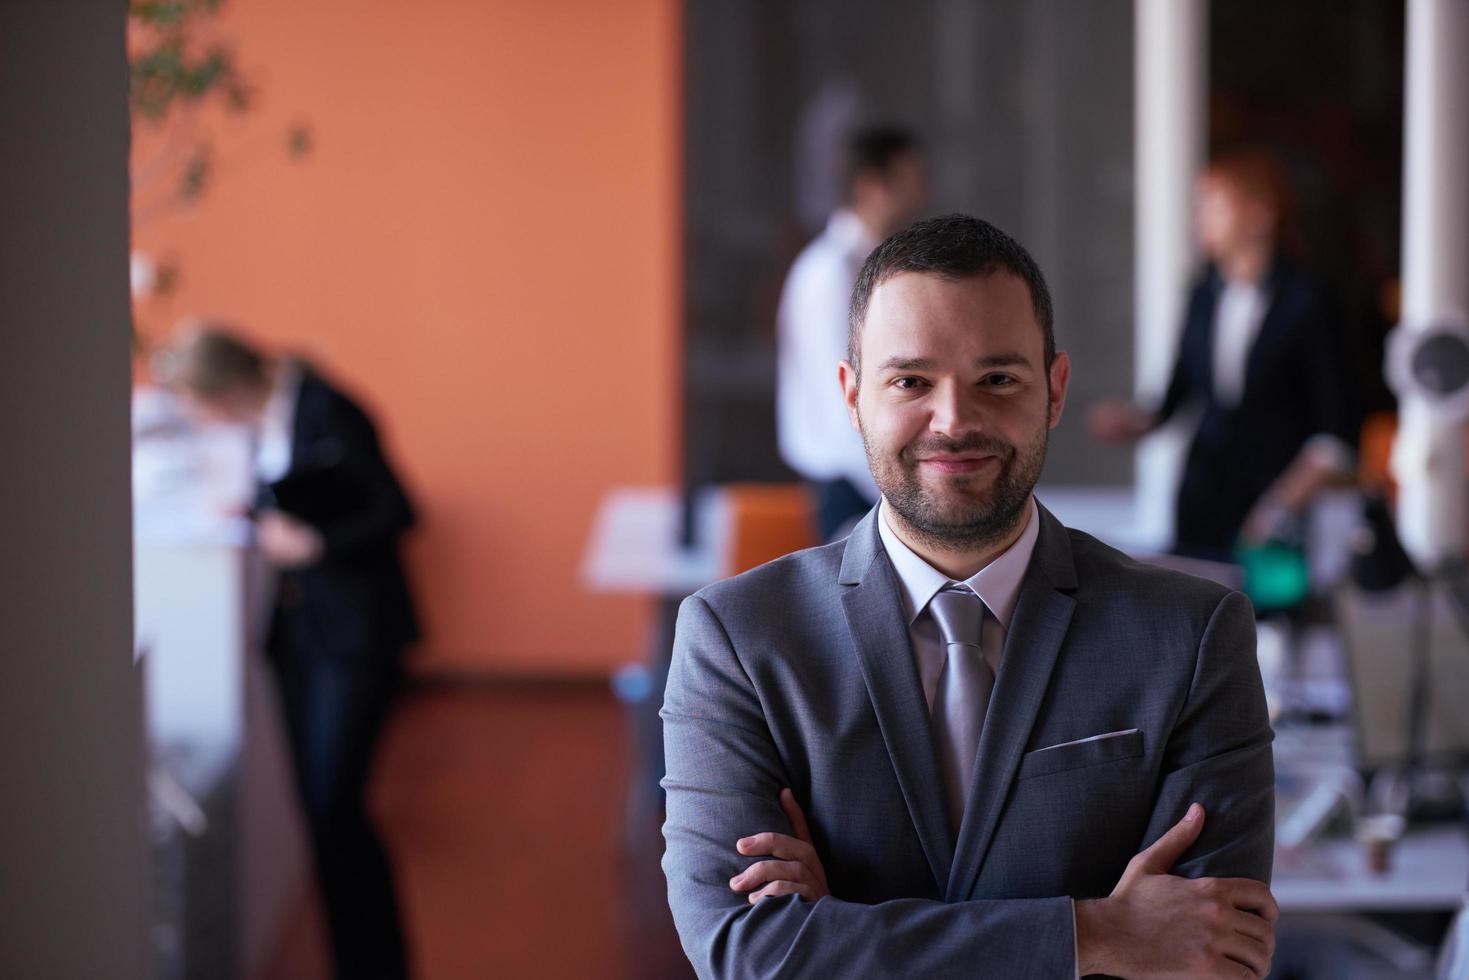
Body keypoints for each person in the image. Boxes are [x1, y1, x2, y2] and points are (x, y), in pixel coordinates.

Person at [662, 215, 1277, 978]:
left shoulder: (1191, 634)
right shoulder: (738, 639)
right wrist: (1095, 933)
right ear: (852, 396)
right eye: (910, 381)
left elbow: (1212, 956)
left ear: (1053, 391)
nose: (954, 421)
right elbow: (747, 953)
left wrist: (839, 932)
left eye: (997, 379)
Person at [163, 326, 418, 980]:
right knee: (319, 808)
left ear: (223, 388)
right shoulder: (267, 419)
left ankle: (377, 963)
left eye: (198, 402)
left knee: (336, 804)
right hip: (304, 634)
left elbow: (396, 510)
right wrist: (251, 510)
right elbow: (304, 489)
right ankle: (357, 961)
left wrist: (318, 547)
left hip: (355, 635)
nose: (199, 417)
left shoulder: (328, 407)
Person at [1088, 147, 1356, 561]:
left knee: (1269, 620)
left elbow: (1334, 432)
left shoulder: (1311, 300)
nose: (1201, 219)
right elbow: (1177, 398)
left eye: (1214, 204)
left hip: (1277, 512)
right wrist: (1134, 422)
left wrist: (1277, 510)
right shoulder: (1203, 292)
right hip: (1202, 500)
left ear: (1260, 214)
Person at [777, 124, 928, 541]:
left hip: (874, 477)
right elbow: (844, 395)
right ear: (872, 184)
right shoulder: (832, 271)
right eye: (910, 179)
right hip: (854, 483)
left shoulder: (868, 263)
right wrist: (902, 491)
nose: (920, 194)